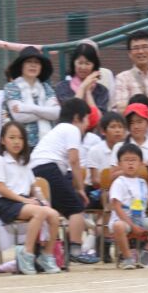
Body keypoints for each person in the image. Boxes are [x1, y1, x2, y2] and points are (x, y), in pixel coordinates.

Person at [30, 98, 98, 264]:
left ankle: (52, 252)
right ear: (77, 118)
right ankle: (75, 250)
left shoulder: (58, 129)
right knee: (76, 207)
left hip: (36, 171)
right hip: (47, 168)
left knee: (57, 210)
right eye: (86, 119)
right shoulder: (71, 129)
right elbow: (74, 160)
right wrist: (81, 189)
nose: (87, 124)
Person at [0, 121, 62, 274]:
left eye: (20, 138)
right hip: (6, 204)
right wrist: (25, 200)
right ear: (3, 140)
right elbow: (1, 188)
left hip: (24, 203)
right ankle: (27, 254)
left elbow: (32, 188)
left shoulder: (24, 162)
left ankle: (46, 255)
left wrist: (42, 201)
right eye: (12, 137)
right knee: (39, 212)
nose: (17, 142)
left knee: (53, 214)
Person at [108, 144, 148, 269]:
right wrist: (132, 226)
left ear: (141, 163)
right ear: (119, 164)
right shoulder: (118, 182)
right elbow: (117, 207)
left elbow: (146, 204)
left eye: (134, 160)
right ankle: (127, 258)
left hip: (140, 219)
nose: (130, 164)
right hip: (124, 220)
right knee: (118, 226)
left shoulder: (142, 182)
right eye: (126, 160)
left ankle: (146, 252)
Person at [4, 46, 60, 148]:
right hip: (22, 146)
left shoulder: (47, 88)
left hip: (48, 145)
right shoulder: (11, 87)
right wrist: (46, 112)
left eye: (37, 62)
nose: (33, 65)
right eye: (29, 61)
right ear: (21, 65)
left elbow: (56, 113)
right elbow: (19, 117)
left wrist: (26, 108)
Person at [54, 41, 110, 114]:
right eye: (80, 63)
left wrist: (88, 92)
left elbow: (99, 120)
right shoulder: (62, 87)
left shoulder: (102, 91)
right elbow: (70, 113)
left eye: (87, 63)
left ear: (94, 65)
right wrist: (83, 86)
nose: (83, 67)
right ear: (74, 63)